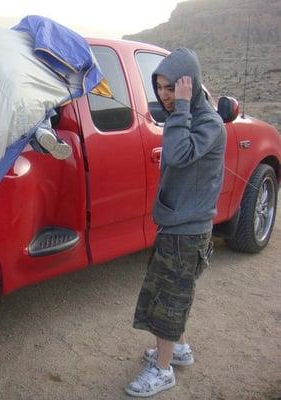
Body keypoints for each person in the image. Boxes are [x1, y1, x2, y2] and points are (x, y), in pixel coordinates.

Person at [125, 48, 226, 397]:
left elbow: (176, 154)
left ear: (190, 85)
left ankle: (164, 370)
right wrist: (178, 111)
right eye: (161, 88)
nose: (165, 96)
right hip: (176, 222)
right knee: (168, 290)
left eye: (172, 88)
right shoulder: (187, 116)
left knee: (171, 298)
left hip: (189, 229)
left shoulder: (208, 123)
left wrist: (180, 108)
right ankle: (178, 349)